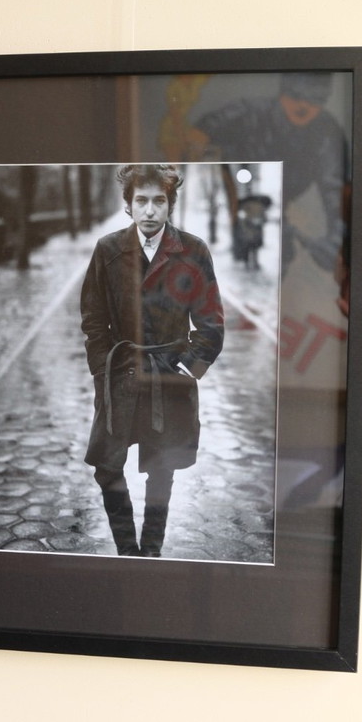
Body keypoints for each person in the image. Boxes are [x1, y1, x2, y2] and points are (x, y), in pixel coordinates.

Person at [80, 164, 224, 557]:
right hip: (120, 373)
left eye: (158, 201)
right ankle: (127, 549)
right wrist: (101, 368)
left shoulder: (192, 251)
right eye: (140, 201)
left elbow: (211, 322)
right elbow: (93, 318)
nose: (149, 211)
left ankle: (152, 550)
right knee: (107, 466)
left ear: (169, 205)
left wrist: (189, 367)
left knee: (162, 467)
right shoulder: (108, 250)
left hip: (169, 374)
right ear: (128, 205)